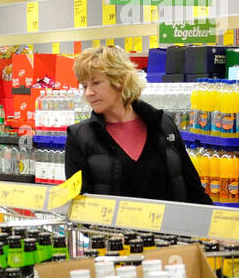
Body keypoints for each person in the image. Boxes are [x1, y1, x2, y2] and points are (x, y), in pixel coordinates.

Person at [65, 46, 210, 204]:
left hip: (166, 227)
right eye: (84, 86)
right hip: (111, 229)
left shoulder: (163, 125)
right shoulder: (80, 137)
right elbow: (79, 205)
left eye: (96, 83)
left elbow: (193, 188)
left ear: (120, 80)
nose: (88, 93)